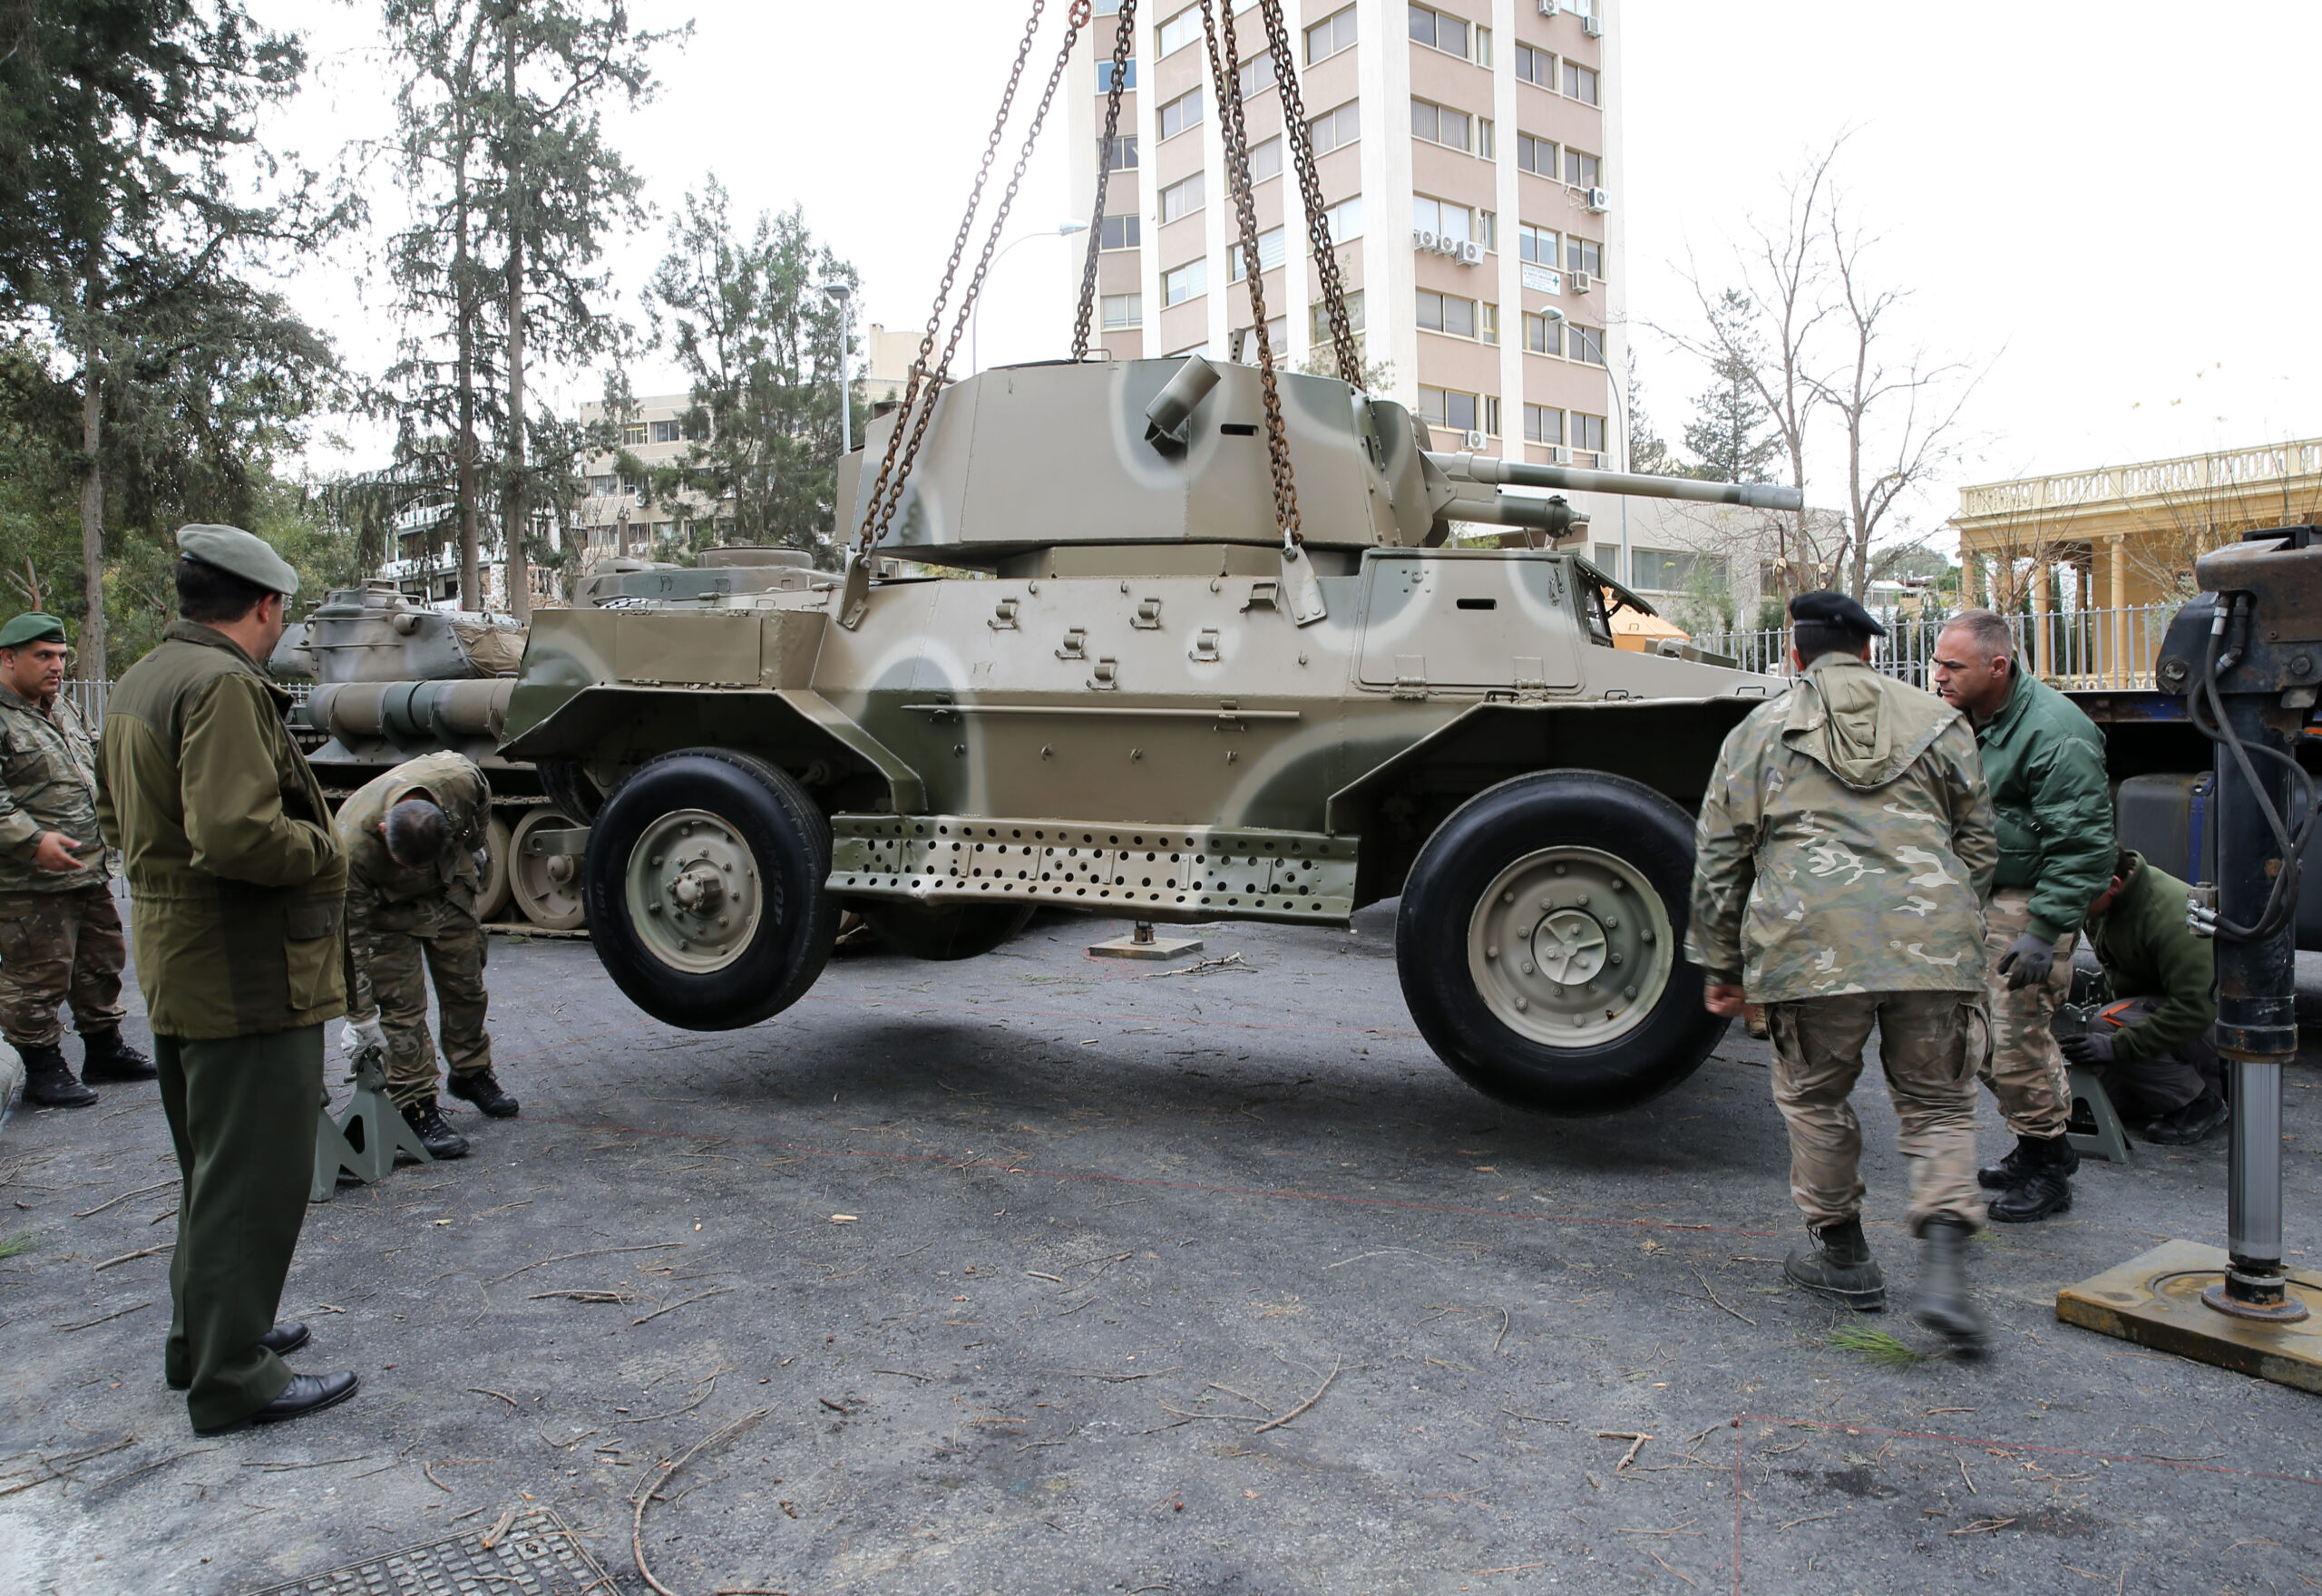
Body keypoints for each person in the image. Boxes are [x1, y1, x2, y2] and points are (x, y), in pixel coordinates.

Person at [95, 525, 360, 1435]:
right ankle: (233, 1374)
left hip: (179, 956)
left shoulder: (142, 678)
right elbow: (238, 832)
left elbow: (113, 814)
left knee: (211, 1169)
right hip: (248, 969)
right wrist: (329, 850)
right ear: (265, 604)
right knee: (253, 1171)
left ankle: (203, 1335)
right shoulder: (221, 683)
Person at [1690, 591, 2000, 1352]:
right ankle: (1945, 1267)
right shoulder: (1939, 721)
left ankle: (1844, 1257)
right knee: (1939, 1105)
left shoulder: (1759, 731)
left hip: (1807, 944)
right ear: (1867, 652)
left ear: (1796, 656)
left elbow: (1719, 862)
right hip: (1932, 941)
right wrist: (1949, 929)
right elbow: (1981, 845)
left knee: (1814, 1097)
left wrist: (1723, 965)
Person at [1932, 608, 2116, 1223]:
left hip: (2034, 898)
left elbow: (2085, 846)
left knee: (2012, 1034)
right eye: (1937, 662)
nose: (1938, 676)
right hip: (1982, 892)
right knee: (1978, 1036)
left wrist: (2044, 932)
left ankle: (2047, 1163)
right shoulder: (1971, 717)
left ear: (1998, 666)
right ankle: (2043, 1147)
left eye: (1952, 666)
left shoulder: (2055, 733)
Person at [0, 612, 151, 1106]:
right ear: (8, 658)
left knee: (101, 961)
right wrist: (33, 839)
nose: (57, 666)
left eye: (62, 656)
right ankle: (43, 1068)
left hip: (86, 867)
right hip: (29, 879)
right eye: (43, 656)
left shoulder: (61, 709)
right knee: (38, 975)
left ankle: (103, 1050)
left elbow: (96, 769)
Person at [336, 750, 515, 1159]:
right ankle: (416, 1106)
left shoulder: (458, 781)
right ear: (383, 830)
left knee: (466, 982)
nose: (414, 871)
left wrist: (476, 844)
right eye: (407, 864)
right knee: (402, 1010)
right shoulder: (350, 846)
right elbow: (350, 940)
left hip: (448, 882)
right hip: (386, 910)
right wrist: (359, 1016)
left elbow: (482, 800)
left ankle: (471, 1071)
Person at [2059, 848, 2228, 1145]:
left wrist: (2118, 1046)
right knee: (2084, 1104)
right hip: (2164, 1023)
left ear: (2112, 885)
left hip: (2215, 1032)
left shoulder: (2169, 915)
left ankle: (2200, 1102)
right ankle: (2164, 1088)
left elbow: (2197, 1009)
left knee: (2106, 1026)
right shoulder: (2104, 904)